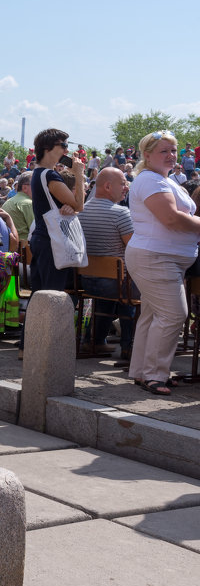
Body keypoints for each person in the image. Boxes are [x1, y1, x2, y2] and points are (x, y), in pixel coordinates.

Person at [125, 130, 200, 396]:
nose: (170, 156)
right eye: (163, 151)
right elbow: (171, 218)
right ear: (147, 155)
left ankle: (143, 372)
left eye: (173, 150)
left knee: (154, 314)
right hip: (155, 257)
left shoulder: (163, 180)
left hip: (163, 257)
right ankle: (155, 374)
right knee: (173, 315)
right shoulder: (150, 180)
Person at [23, 129, 86, 358]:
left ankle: (26, 346)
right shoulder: (50, 175)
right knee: (51, 295)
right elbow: (79, 205)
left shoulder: (37, 173)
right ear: (49, 148)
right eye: (63, 145)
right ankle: (44, 350)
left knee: (39, 294)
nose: (67, 150)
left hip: (40, 238)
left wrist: (67, 207)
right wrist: (79, 175)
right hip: (51, 241)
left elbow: (70, 206)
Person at [78, 167, 136, 358]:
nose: (126, 187)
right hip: (115, 285)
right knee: (137, 290)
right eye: (123, 183)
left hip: (85, 280)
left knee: (109, 293)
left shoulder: (80, 211)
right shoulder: (121, 213)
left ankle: (93, 341)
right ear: (108, 186)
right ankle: (129, 347)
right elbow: (134, 248)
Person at [2, 171, 35, 245]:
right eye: (36, 184)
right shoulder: (28, 204)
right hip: (25, 250)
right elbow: (37, 232)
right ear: (25, 188)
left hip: (11, 248)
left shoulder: (9, 201)